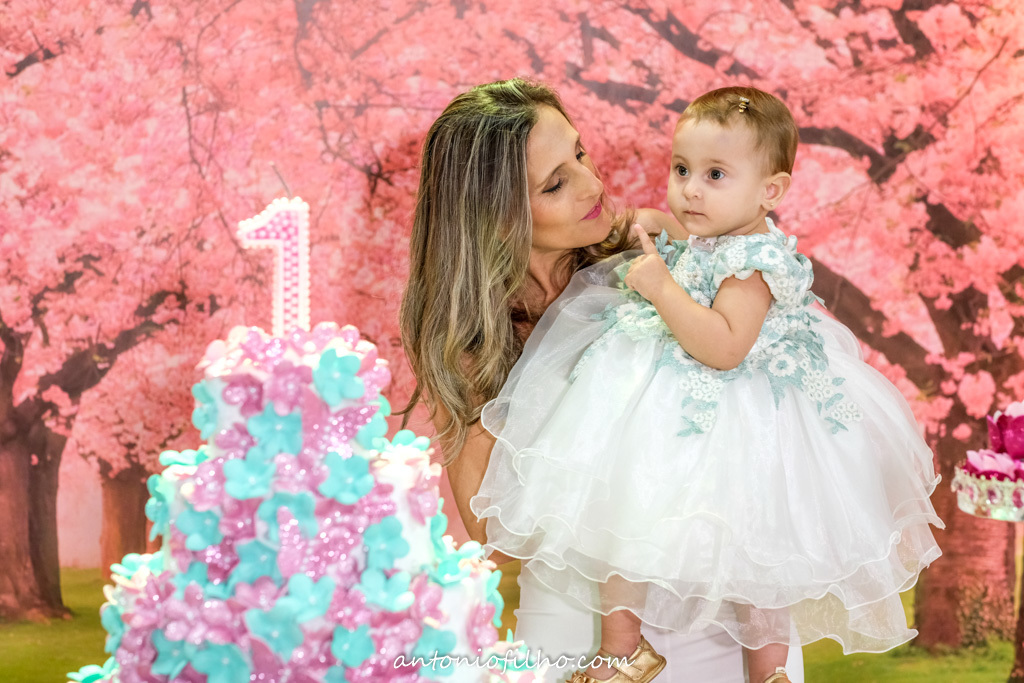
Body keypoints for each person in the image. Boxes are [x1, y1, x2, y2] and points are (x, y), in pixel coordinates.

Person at [469, 86, 944, 683]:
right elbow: (674, 243)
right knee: (624, 516)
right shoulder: (705, 240)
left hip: (737, 419)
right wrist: (657, 241)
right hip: (672, 419)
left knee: (757, 550)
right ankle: (624, 649)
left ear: (771, 191)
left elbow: (724, 347)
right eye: (682, 169)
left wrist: (661, 288)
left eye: (715, 174)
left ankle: (766, 671)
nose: (691, 189)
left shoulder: (753, 263)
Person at [401, 79, 805, 682]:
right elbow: (494, 532)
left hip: (726, 595)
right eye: (555, 184)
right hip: (583, 615)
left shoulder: (653, 244)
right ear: (493, 216)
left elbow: (746, 360)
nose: (592, 185)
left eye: (580, 153)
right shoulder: (471, 342)